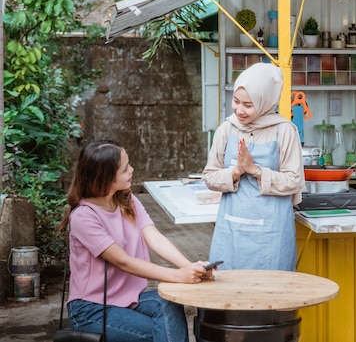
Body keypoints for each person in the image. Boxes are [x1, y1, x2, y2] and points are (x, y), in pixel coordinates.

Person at [57, 140, 213, 342]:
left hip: (129, 298)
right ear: (105, 177)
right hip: (91, 309)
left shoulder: (127, 200)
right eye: (124, 169)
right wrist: (177, 275)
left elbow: (154, 237)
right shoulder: (83, 217)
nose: (132, 170)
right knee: (163, 331)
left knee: (168, 302)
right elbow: (123, 261)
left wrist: (191, 267)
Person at [202, 62, 305, 271]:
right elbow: (209, 176)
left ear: (266, 101)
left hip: (272, 236)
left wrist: (255, 170)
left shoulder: (285, 131)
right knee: (227, 296)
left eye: (248, 105)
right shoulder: (227, 129)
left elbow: (294, 181)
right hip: (231, 231)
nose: (239, 110)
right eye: (236, 101)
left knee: (270, 296)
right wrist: (236, 171)